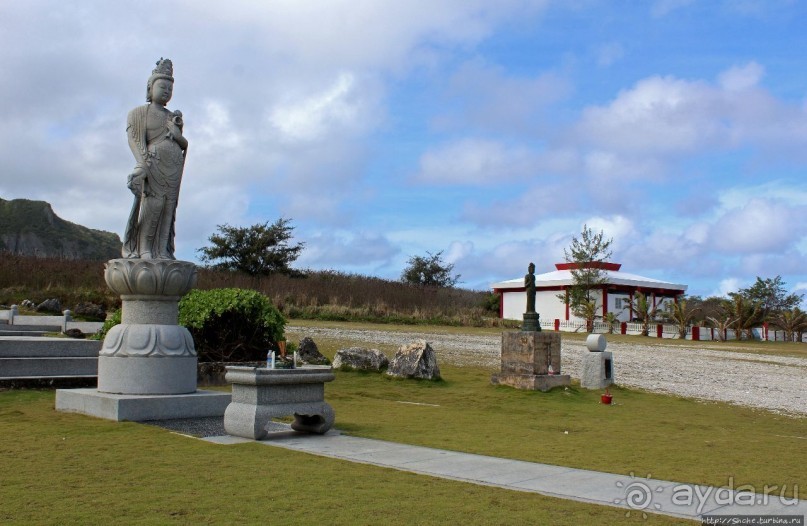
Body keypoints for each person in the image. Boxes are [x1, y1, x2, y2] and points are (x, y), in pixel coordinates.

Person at [122, 58, 188, 259]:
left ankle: (162, 251)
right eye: (162, 86)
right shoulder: (140, 113)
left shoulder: (172, 116)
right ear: (150, 88)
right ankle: (145, 250)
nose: (167, 91)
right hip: (154, 166)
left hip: (173, 168)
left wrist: (177, 135)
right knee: (153, 207)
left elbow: (183, 144)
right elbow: (134, 140)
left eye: (170, 88)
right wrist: (142, 164)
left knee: (168, 208)